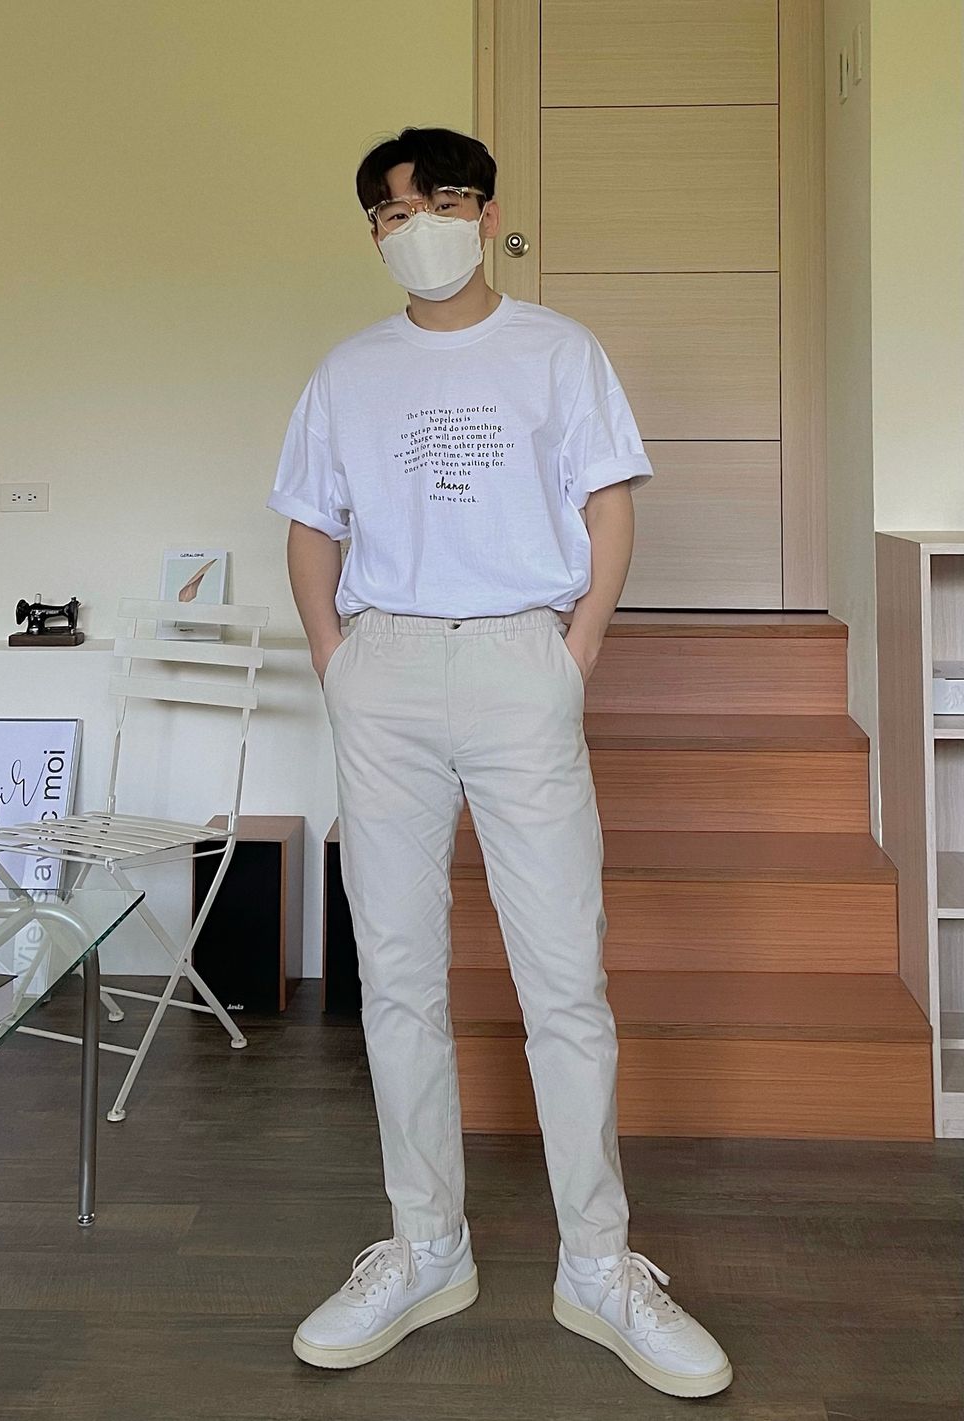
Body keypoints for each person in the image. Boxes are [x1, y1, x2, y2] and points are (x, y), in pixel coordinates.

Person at [266, 125, 732, 1400]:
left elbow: (606, 505)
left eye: (440, 200)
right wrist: (337, 663)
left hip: (524, 657)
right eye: (390, 211)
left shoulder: (557, 350)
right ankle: (426, 1247)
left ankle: (598, 1262)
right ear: (372, 232)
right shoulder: (347, 371)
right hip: (387, 664)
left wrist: (575, 650)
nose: (415, 225)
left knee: (563, 973)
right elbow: (310, 524)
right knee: (398, 974)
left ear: (484, 214)